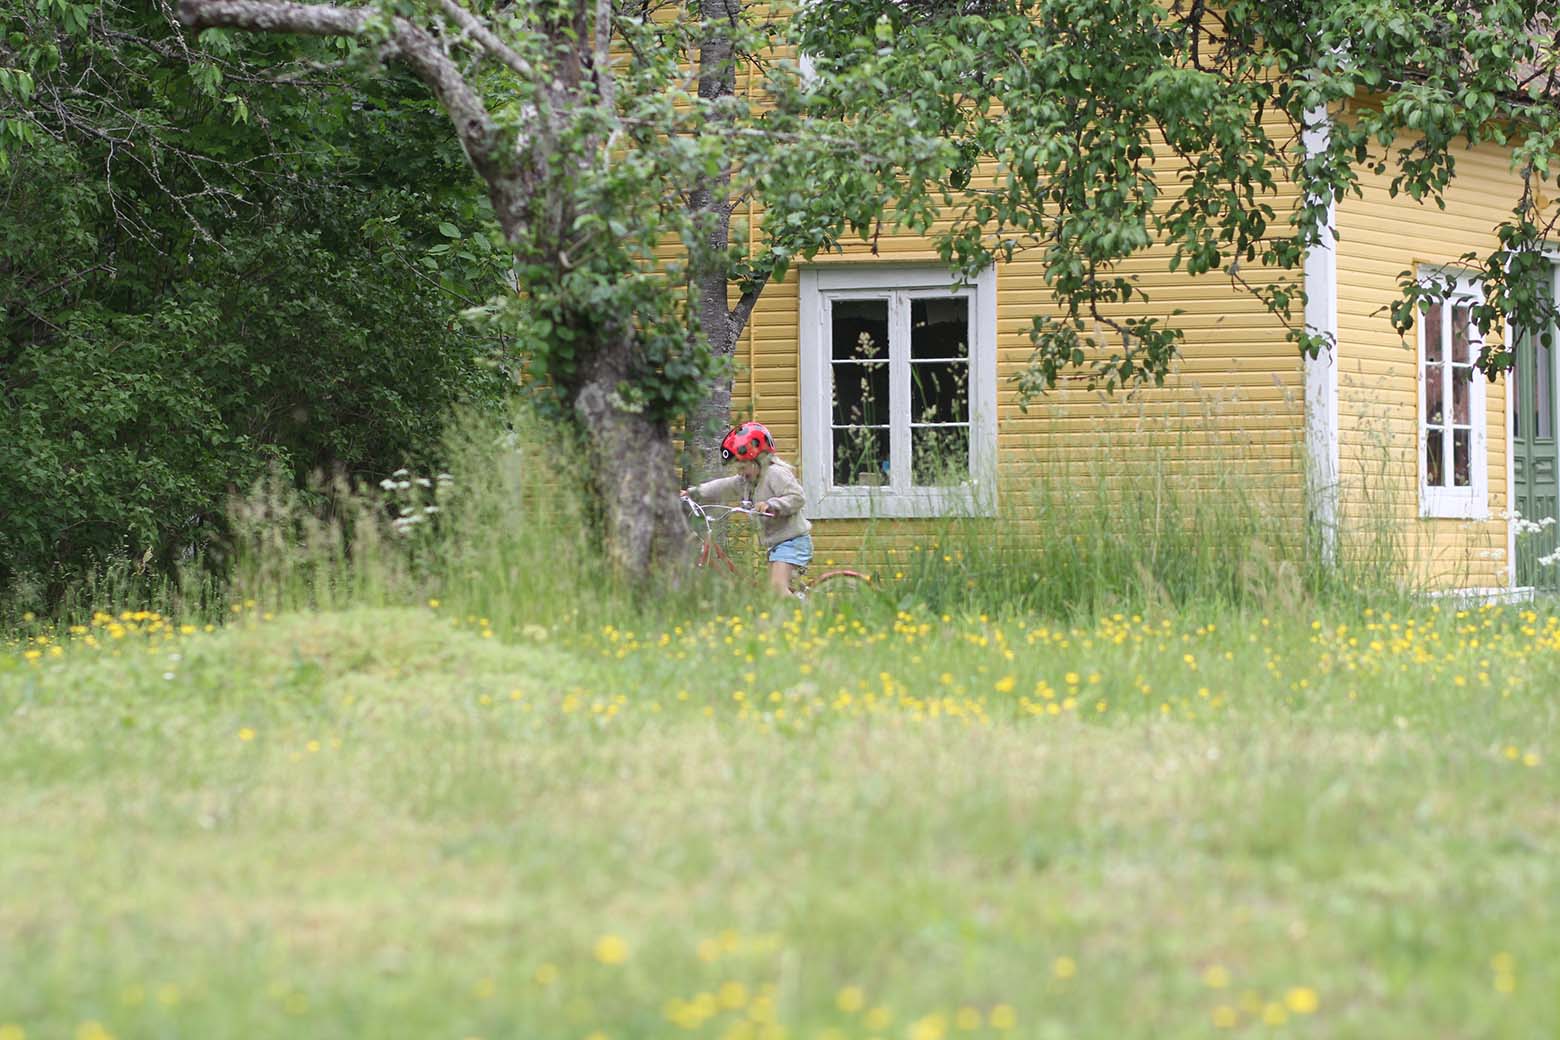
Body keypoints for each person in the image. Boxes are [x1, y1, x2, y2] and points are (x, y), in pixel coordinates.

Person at [683, 422, 813, 597]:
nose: (740, 472)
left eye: (743, 467)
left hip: (793, 542)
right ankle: (800, 609)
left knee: (777, 588)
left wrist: (772, 505)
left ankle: (804, 618)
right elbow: (721, 486)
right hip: (776, 546)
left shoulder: (775, 474)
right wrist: (691, 493)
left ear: (759, 460)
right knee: (773, 593)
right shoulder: (747, 482)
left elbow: (797, 497)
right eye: (738, 469)